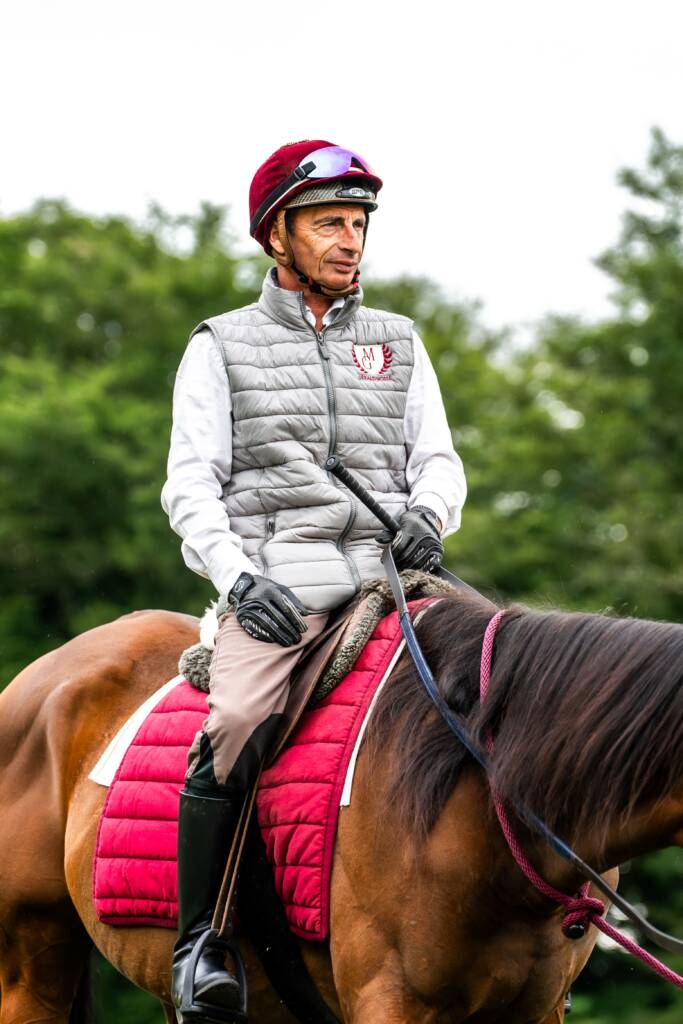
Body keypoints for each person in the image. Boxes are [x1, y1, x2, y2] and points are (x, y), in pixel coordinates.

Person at [161, 139, 467, 1022]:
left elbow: (437, 461)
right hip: (278, 587)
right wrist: (237, 577)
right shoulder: (221, 345)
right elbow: (191, 484)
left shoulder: (398, 341)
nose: (350, 240)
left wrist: (429, 515)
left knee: (505, 681)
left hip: (394, 578)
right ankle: (200, 948)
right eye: (329, 222)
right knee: (240, 716)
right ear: (276, 237)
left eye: (359, 223)